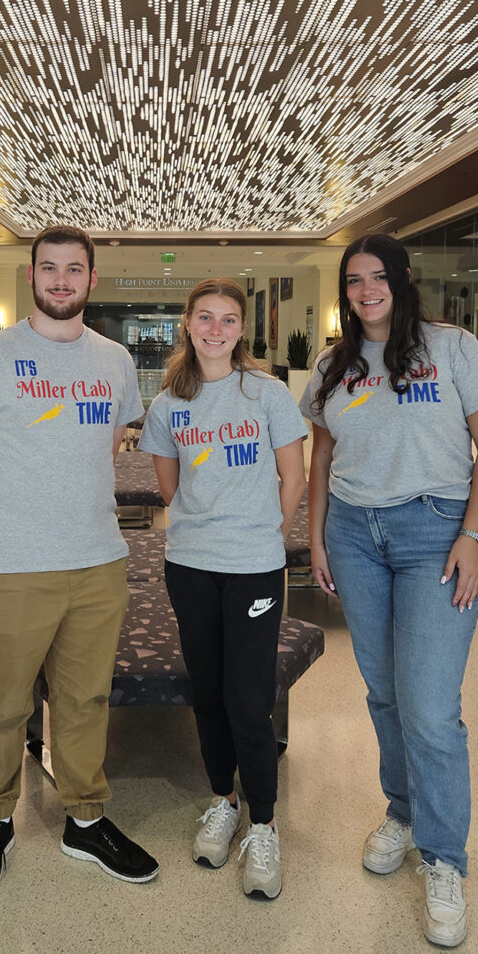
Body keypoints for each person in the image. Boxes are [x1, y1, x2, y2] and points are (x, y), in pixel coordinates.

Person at [300, 234, 478, 947]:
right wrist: (321, 537)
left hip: (434, 533)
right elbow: (322, 456)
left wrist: (474, 538)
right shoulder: (334, 362)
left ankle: (445, 857)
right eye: (354, 280)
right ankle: (404, 810)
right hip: (357, 537)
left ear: (402, 279)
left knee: (428, 706)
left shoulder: (451, 349)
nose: (366, 290)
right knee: (384, 691)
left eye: (377, 276)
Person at [0, 224, 159, 899]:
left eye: (74, 269)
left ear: (91, 280)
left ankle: (85, 818)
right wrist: (15, 526)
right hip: (12, 564)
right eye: (49, 268)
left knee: (84, 698)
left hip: (97, 560)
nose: (61, 280)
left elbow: (113, 443)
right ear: (32, 276)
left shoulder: (114, 361)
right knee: (3, 703)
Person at [139, 278, 306, 898]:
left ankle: (263, 824)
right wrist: (203, 529)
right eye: (204, 317)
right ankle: (223, 800)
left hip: (254, 566)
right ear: (188, 323)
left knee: (247, 697)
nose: (215, 329)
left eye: (228, 319)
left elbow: (294, 473)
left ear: (242, 328)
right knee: (206, 692)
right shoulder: (168, 406)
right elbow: (169, 487)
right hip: (190, 566)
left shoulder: (265, 394)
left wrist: (265, 532)